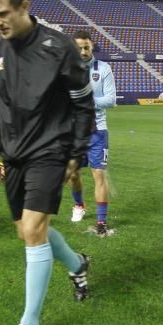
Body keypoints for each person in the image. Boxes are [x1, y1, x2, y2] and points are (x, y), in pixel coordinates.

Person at [0, 0, 93, 325]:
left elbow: (82, 105)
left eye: (4, 13)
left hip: (51, 151)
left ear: (25, 7)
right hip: (14, 154)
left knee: (33, 228)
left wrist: (75, 155)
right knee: (26, 233)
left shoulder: (58, 48)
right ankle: (77, 264)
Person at [67, 30, 117, 237]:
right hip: (72, 131)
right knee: (73, 174)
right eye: (79, 47)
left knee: (99, 174)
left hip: (97, 130)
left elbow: (110, 100)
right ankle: (79, 205)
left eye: (86, 47)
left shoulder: (103, 69)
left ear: (92, 46)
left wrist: (84, 103)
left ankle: (101, 221)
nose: (83, 51)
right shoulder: (65, 71)